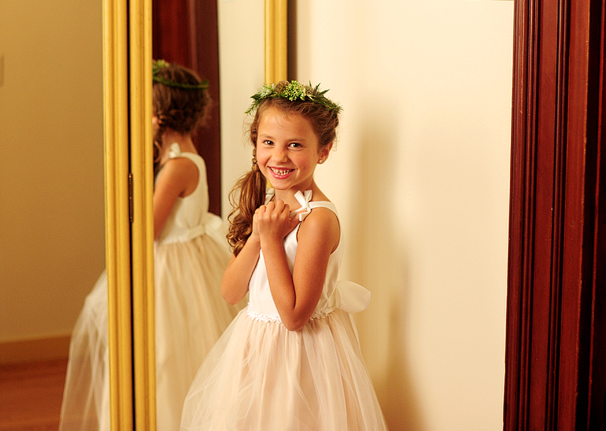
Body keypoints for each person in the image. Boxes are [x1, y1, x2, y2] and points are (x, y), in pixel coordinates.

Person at [181, 81, 388, 431]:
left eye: (295, 145)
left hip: (301, 356)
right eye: (268, 143)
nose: (278, 156)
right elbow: (231, 293)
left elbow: (293, 317)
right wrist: (261, 236)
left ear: (323, 151)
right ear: (256, 143)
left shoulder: (318, 219)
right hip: (254, 348)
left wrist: (272, 242)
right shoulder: (272, 209)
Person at [59, 61, 241, 431]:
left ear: (158, 116)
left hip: (171, 269)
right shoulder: (188, 157)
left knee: (166, 356)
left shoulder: (176, 167)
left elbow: (149, 230)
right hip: (187, 259)